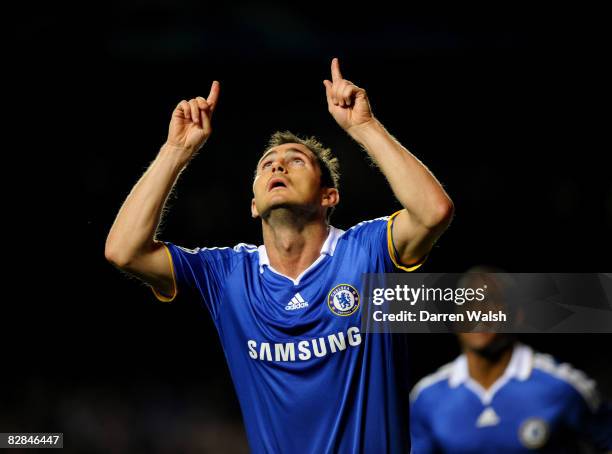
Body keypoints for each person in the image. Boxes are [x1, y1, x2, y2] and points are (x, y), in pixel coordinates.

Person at [105, 57, 454, 453]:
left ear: (329, 196)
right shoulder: (228, 275)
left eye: (296, 161)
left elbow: (433, 212)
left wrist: (364, 127)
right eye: (267, 165)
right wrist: (174, 151)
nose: (279, 167)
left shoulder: (365, 253)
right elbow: (123, 251)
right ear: (253, 204)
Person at [410, 275, 612, 454]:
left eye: (492, 303)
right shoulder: (427, 397)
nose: (480, 313)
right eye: (469, 303)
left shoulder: (561, 386)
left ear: (517, 316)